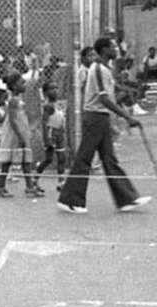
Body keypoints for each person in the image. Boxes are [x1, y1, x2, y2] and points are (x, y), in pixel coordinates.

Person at [58, 36, 151, 214]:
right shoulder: (99, 68)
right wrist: (126, 116)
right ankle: (70, 200)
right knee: (84, 158)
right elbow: (104, 98)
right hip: (95, 117)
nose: (116, 49)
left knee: (109, 158)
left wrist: (129, 94)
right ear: (104, 50)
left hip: (101, 117)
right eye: (113, 46)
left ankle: (126, 198)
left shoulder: (105, 69)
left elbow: (111, 93)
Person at [0, 73, 44, 199]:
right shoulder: (13, 101)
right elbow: (12, 120)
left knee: (24, 160)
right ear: (14, 86)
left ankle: (26, 187)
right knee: (11, 161)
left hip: (20, 132)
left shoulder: (18, 100)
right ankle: (12, 188)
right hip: (15, 134)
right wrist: (20, 136)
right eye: (22, 83)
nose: (24, 85)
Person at [34, 83, 67, 191]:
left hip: (60, 133)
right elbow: (44, 122)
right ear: (46, 92)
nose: (55, 90)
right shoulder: (48, 106)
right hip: (51, 132)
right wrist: (46, 138)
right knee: (48, 159)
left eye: (56, 87)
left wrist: (63, 128)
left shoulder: (60, 104)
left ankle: (61, 182)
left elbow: (61, 117)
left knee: (62, 158)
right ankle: (35, 178)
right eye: (51, 88)